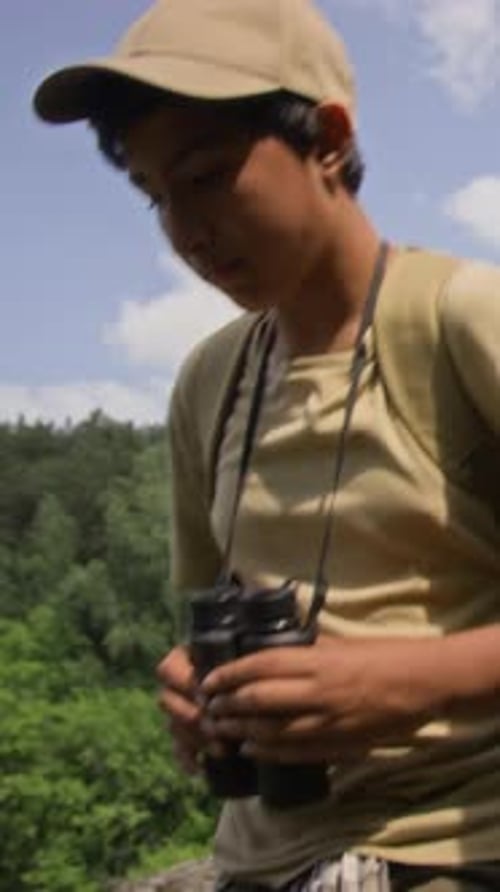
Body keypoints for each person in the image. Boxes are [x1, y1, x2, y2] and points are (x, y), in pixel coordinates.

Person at [33, 1, 500, 889]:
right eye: (156, 197)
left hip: (459, 844)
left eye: (208, 176)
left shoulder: (462, 320)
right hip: (261, 858)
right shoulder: (211, 383)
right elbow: (206, 610)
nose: (185, 231)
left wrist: (413, 683)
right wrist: (193, 690)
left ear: (327, 139)